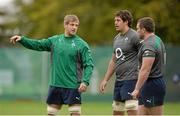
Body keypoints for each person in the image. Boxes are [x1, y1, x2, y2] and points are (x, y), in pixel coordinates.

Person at [10, 14, 94, 116]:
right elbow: (38, 44)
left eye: (76, 25)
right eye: (72, 24)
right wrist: (22, 39)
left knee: (75, 114)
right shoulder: (55, 41)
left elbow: (89, 65)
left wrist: (85, 82)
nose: (74, 27)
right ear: (65, 25)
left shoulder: (82, 45)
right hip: (56, 85)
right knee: (51, 113)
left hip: (73, 86)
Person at [99, 10, 141, 115]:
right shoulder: (116, 38)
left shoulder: (135, 36)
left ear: (126, 21)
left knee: (131, 109)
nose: (115, 23)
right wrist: (105, 80)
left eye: (118, 20)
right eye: (115, 20)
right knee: (117, 111)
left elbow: (145, 55)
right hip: (119, 81)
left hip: (131, 79)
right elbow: (114, 60)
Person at [131, 17, 166, 115]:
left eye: (138, 29)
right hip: (147, 84)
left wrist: (137, 88)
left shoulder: (149, 44)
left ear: (144, 29)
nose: (136, 31)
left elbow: (145, 70)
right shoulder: (157, 39)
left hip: (152, 85)